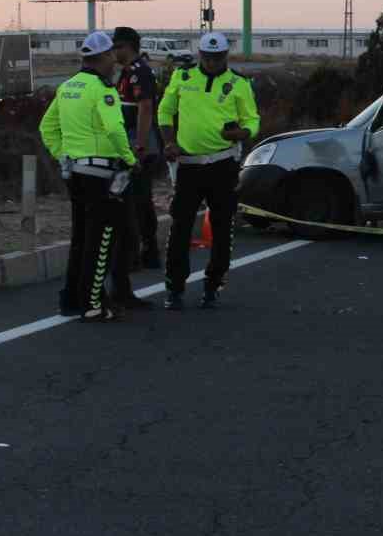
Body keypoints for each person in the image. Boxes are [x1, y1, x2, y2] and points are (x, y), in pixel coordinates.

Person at [38, 31, 138, 322]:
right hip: (101, 174)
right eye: (112, 57)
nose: (115, 63)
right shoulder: (102, 90)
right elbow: (115, 130)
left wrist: (63, 155)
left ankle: (71, 299)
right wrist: (130, 160)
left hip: (76, 173)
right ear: (103, 57)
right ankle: (93, 303)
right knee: (102, 237)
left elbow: (47, 127)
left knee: (81, 237)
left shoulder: (68, 87)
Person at [158, 31, 260, 309]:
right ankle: (174, 288)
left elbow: (252, 119)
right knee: (180, 226)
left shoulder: (239, 83)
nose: (213, 62)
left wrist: (242, 132)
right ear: (200, 55)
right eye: (208, 57)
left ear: (226, 56)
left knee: (222, 227)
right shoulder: (183, 77)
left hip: (223, 164)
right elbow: (165, 111)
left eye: (218, 58)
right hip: (189, 166)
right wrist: (168, 141)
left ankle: (213, 285)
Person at [109, 26, 160, 310]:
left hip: (139, 145)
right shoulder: (127, 71)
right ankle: (141, 252)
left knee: (138, 202)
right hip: (130, 143)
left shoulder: (139, 70)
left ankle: (146, 251)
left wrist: (139, 147)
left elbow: (145, 108)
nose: (114, 52)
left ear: (128, 46)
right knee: (134, 202)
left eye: (117, 47)